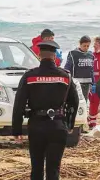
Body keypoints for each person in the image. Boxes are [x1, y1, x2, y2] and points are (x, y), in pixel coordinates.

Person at [12, 40, 79, 180]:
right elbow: (74, 101)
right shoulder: (65, 76)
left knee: (36, 169)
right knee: (53, 170)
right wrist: (70, 124)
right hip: (58, 126)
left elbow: (19, 103)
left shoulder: (29, 76)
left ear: (38, 55)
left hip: (36, 126)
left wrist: (17, 129)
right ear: (55, 57)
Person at [64, 35, 94, 102]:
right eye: (84, 45)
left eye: (88, 46)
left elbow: (91, 70)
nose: (86, 47)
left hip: (87, 84)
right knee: (75, 102)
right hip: (76, 83)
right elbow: (67, 68)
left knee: (84, 102)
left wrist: (93, 83)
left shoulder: (91, 55)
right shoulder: (73, 54)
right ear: (80, 44)